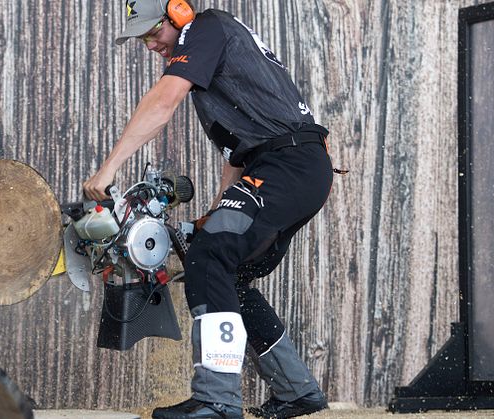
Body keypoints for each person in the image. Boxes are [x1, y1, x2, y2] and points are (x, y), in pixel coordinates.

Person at [83, 1, 333, 418]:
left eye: (152, 32)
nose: (150, 45)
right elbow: (238, 153)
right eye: (142, 39)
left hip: (289, 164)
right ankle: (297, 390)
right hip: (285, 165)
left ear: (178, 13)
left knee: (209, 255)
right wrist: (216, 213)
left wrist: (108, 169)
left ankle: (217, 401)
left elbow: (163, 102)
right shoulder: (216, 52)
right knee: (223, 269)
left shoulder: (205, 29)